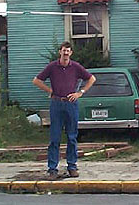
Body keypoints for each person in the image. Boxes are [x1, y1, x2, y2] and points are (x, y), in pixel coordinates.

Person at [32, 41, 96, 179]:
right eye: (63, 50)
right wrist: (49, 90)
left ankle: (72, 166)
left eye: (68, 51)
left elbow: (91, 78)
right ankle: (52, 169)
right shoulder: (52, 67)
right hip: (56, 103)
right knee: (54, 137)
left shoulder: (76, 67)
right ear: (60, 52)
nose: (66, 53)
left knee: (72, 136)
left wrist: (80, 92)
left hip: (71, 104)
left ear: (71, 53)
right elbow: (36, 80)